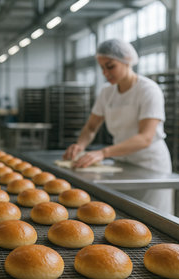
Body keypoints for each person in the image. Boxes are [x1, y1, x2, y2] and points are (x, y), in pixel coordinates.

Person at [63, 38, 172, 214]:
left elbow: (145, 138)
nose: (105, 72)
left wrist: (103, 153)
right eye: (102, 68)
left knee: (151, 217)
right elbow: (91, 127)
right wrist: (80, 146)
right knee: (124, 217)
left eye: (110, 66)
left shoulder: (148, 90)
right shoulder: (107, 92)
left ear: (127, 60)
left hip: (149, 165)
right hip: (122, 163)